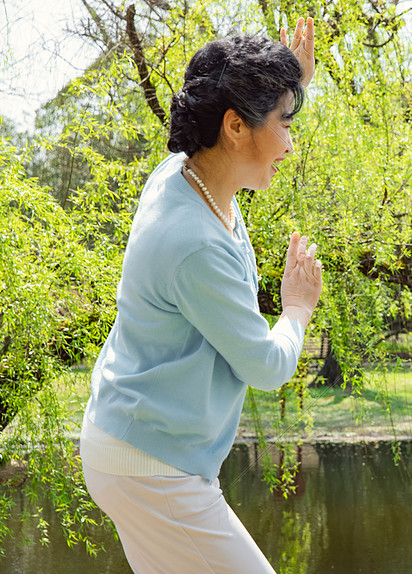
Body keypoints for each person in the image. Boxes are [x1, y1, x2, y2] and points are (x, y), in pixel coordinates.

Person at [80, 20, 318, 574]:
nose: (289, 143)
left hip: (137, 449)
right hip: (151, 467)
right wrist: (297, 308)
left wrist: (287, 83)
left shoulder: (187, 173)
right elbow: (265, 364)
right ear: (235, 126)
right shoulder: (193, 245)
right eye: (285, 123)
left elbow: (245, 137)